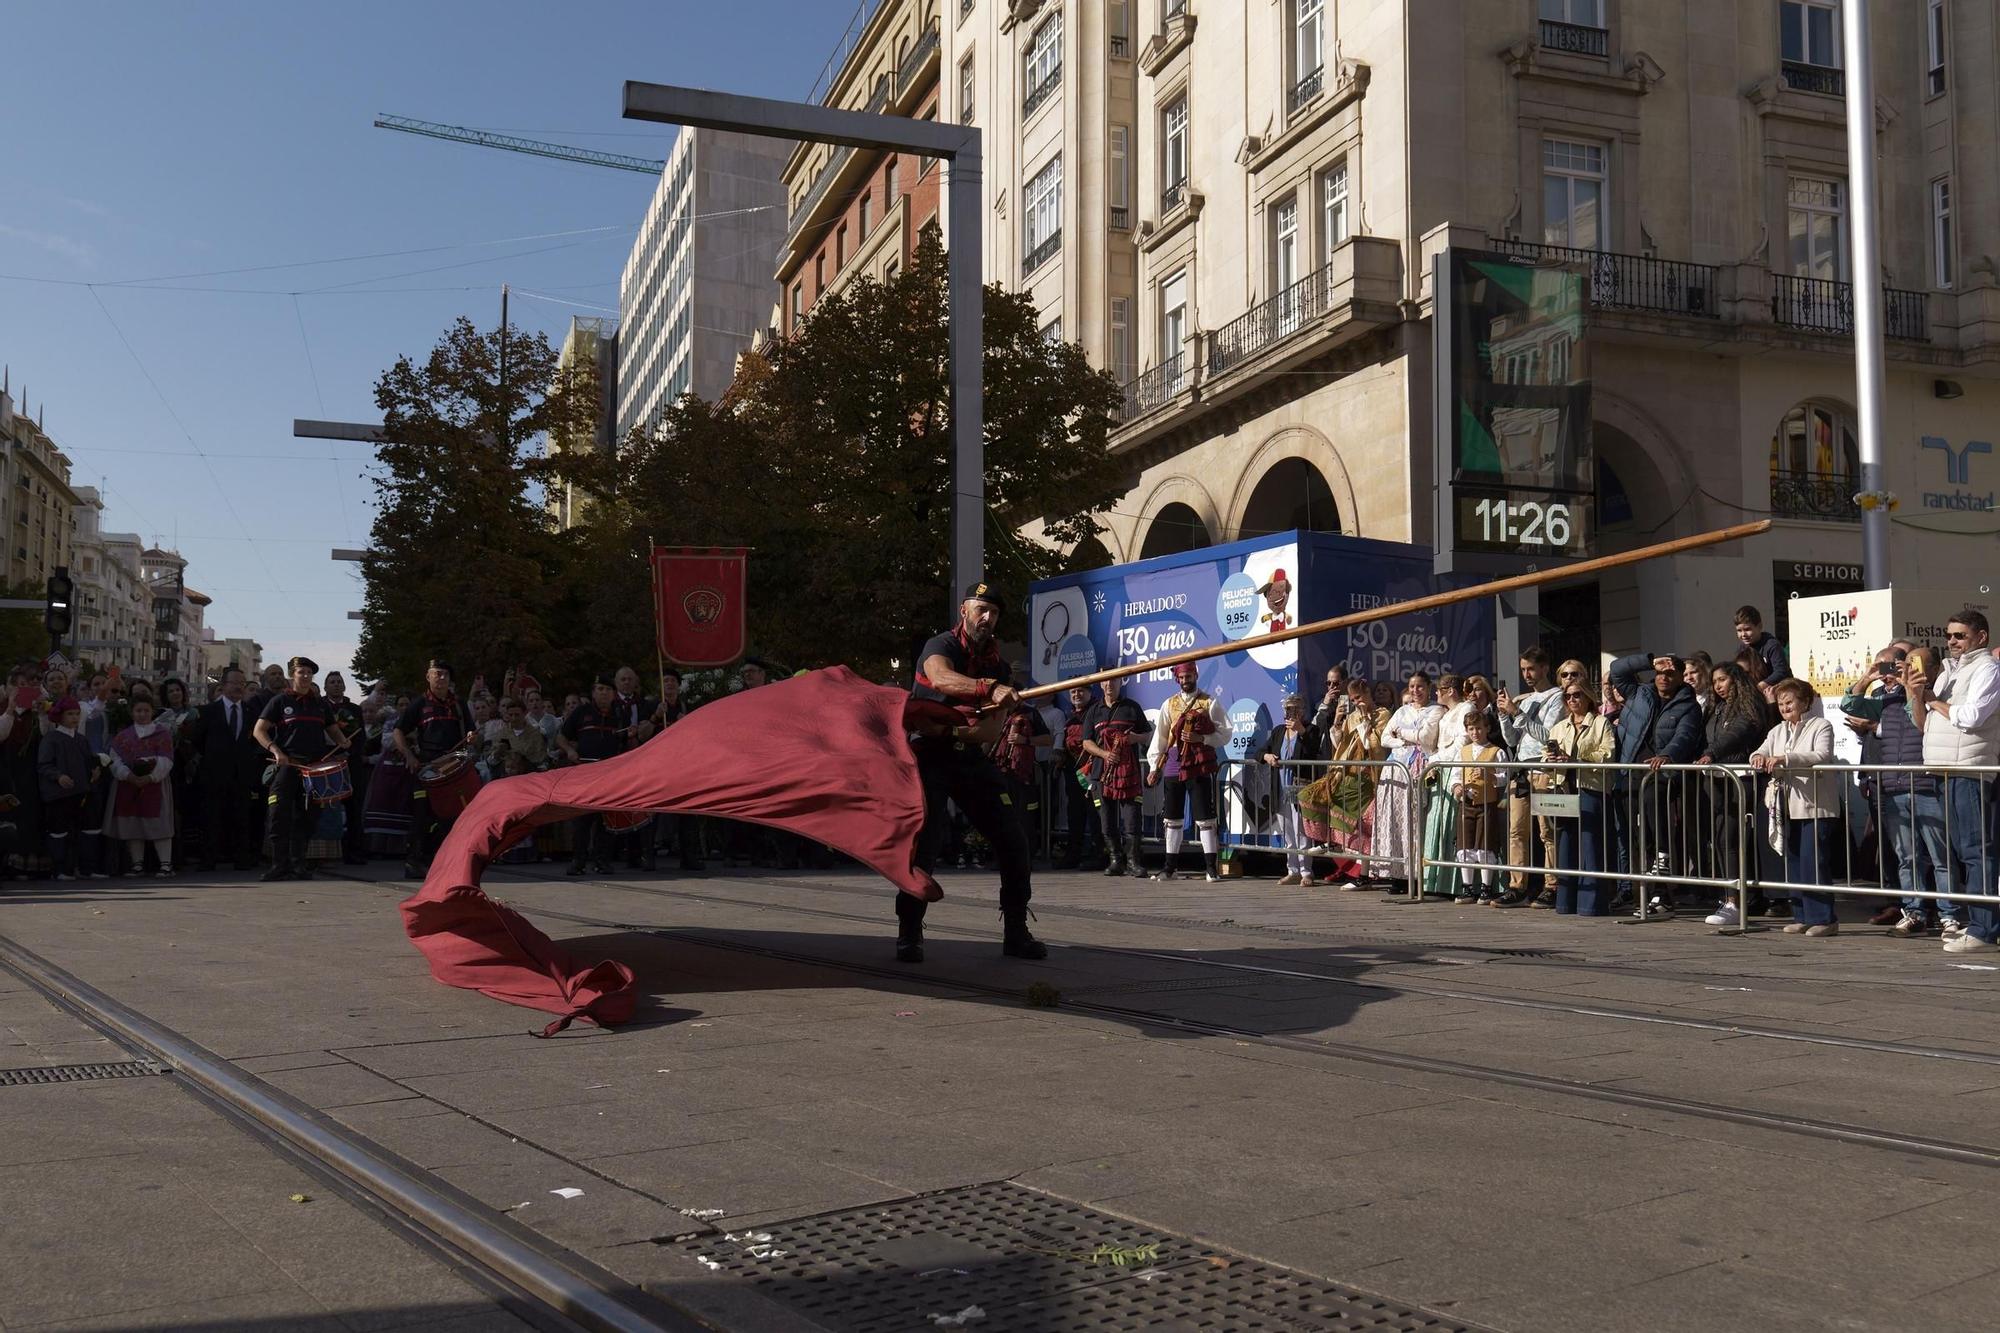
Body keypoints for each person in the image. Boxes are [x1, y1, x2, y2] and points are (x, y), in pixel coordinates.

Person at [899, 582, 1046, 962]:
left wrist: (952, 728)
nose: (987, 617)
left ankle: (1016, 932)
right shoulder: (941, 645)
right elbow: (940, 677)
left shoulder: (999, 666)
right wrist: (987, 690)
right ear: (964, 610)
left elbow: (989, 731)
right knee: (926, 846)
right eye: (981, 609)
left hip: (969, 759)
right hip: (929, 757)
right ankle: (909, 933)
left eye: (994, 613)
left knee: (1014, 841)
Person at [1911, 611, 2000, 953]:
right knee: (1965, 852)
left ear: (1981, 637)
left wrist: (1933, 700)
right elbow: (1924, 724)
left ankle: (1984, 929)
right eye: (1949, 635)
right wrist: (1917, 694)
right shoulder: (1949, 670)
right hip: (1944, 768)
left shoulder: (1988, 669)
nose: (1952, 641)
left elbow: (1972, 716)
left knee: (1978, 851)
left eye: (1960, 635)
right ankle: (1981, 924)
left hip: (1970, 770)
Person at [1855, 650, 1954, 939]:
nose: (1903, 670)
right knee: (1906, 857)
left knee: (1940, 856)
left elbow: (1919, 723)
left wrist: (1912, 689)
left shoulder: (1934, 694)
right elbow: (1852, 705)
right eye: (1903, 665)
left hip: (1926, 785)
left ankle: (1948, 914)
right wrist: (1868, 677)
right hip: (1895, 786)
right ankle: (1914, 912)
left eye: (1912, 664)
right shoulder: (1885, 700)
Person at [1608, 651, 1705, 916]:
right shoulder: (1639, 693)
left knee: (1657, 835)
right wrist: (1648, 661)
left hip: (1661, 776)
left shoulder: (1688, 705)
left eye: (1670, 673)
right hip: (1630, 773)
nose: (1663, 677)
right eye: (1660, 672)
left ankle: (1661, 893)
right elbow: (1617, 669)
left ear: (1681, 676)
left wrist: (1668, 755)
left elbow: (1685, 735)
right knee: (1638, 839)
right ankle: (1647, 894)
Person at [1752, 678, 1840, 936]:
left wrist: (1785, 759)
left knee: (1814, 862)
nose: (1784, 707)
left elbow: (1821, 755)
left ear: (1805, 702)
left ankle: (1824, 919)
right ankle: (1801, 915)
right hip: (1786, 806)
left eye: (1789, 702)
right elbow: (1760, 751)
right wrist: (1757, 758)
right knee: (1793, 862)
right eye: (1781, 703)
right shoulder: (1777, 730)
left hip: (1815, 804)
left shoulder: (1821, 725)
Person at [252, 656, 349, 882]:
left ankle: (298, 865)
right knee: (278, 814)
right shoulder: (279, 701)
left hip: (313, 769)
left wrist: (343, 741)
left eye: (308, 673)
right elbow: (259, 730)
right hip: (287, 765)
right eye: (300, 672)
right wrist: (276, 751)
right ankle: (279, 865)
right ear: (292, 675)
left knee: (307, 818)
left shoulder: (320, 704)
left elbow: (332, 729)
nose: (305, 676)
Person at [1697, 661, 1777, 927]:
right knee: (1721, 839)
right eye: (1714, 682)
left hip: (1742, 781)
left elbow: (1738, 733)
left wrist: (1711, 754)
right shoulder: (1716, 708)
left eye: (1722, 680)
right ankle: (1729, 898)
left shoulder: (1748, 705)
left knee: (1731, 839)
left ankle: (1736, 902)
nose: (1718, 686)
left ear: (1736, 679)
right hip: (1718, 781)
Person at [392, 660, 476, 879]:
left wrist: (472, 736)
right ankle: (413, 862)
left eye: (445, 674)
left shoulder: (459, 704)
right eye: (437, 674)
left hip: (453, 768)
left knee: (451, 816)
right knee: (421, 814)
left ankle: (447, 862)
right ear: (428, 677)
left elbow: (471, 732)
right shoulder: (419, 704)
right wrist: (408, 755)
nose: (441, 678)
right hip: (427, 768)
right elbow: (398, 731)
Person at [1299, 678, 1387, 886]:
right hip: (1347, 771)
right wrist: (1338, 723)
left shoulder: (1382, 714)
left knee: (1362, 826)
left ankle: (1362, 874)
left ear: (1368, 694)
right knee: (1309, 796)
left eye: (1359, 697)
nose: (1356, 702)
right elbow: (1341, 745)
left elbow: (1375, 745)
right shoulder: (1352, 716)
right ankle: (1330, 840)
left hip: (1368, 774)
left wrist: (1365, 721)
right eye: (1353, 699)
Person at [1147, 661, 1227, 882]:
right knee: (1172, 817)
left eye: (1188, 676)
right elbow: (1161, 737)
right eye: (1181, 678)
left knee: (1205, 817)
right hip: (1174, 763)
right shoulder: (1169, 704)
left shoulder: (1209, 702)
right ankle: (1170, 868)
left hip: (1198, 763)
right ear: (1177, 679)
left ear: (1196, 676)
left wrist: (1202, 738)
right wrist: (1154, 766)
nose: (1185, 681)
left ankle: (1211, 868)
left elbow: (1225, 733)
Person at [1496, 647, 1563, 903]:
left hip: (1543, 768)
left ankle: (1552, 885)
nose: (1527, 675)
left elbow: (1548, 736)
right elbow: (1513, 740)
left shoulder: (1557, 697)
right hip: (1522, 770)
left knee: (1547, 831)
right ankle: (1517, 885)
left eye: (1531, 669)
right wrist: (1504, 716)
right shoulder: (1525, 700)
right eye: (1523, 669)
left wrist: (1516, 713)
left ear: (1545, 668)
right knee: (1516, 830)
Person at [1545, 680, 1617, 914]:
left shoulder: (1600, 723)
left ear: (1588, 697)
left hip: (1590, 788)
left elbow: (1608, 754)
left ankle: (1591, 904)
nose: (1572, 700)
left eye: (1577, 695)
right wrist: (1551, 760)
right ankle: (1565, 902)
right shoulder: (1559, 727)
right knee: (1565, 845)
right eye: (1568, 696)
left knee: (1591, 845)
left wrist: (1577, 759)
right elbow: (1544, 758)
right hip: (1564, 788)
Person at [192, 667, 264, 871]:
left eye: (242, 683)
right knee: (211, 816)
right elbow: (198, 740)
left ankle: (242, 858)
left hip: (241, 774)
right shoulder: (208, 711)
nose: (239, 687)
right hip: (214, 773)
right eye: (234, 682)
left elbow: (254, 741)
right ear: (223, 686)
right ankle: (208, 859)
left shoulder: (251, 712)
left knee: (242, 816)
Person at [1378, 672, 1444, 891]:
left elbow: (1426, 738)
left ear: (1428, 687)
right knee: (1396, 822)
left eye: (1420, 686)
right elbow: (1385, 738)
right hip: (1397, 770)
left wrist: (1401, 733)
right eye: (1412, 686)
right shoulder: (1402, 711)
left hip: (1418, 771)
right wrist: (1402, 742)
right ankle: (1397, 874)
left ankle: (1416, 875)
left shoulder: (1436, 710)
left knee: (1415, 822)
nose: (1416, 691)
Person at [1082, 673, 1150, 878]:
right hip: (1101, 773)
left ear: (1120, 682)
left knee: (1132, 818)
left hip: (1129, 773)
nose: (1109, 683)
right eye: (1105, 680)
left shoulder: (1132, 707)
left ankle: (1133, 862)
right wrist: (1105, 754)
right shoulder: (1093, 710)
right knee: (1106, 819)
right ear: (1101, 684)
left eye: (1113, 679)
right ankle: (1115, 861)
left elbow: (1147, 735)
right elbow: (1086, 742)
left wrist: (1133, 738)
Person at [558, 675, 626, 876]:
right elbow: (561, 737)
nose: (604, 693)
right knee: (582, 820)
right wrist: (570, 750)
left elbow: (626, 741)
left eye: (607, 689)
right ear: (593, 692)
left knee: (606, 820)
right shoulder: (582, 712)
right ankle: (578, 861)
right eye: (600, 689)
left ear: (613, 694)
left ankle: (601, 861)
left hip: (610, 773)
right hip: (585, 773)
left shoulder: (620, 712)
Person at [1259, 693, 1323, 885]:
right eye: (1288, 709)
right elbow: (1261, 751)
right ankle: (1292, 870)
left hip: (1299, 785)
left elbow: (1314, 751)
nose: (1291, 713)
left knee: (1301, 831)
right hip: (1280, 786)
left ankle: (1306, 872)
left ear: (1302, 711)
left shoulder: (1311, 730)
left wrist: (1301, 731)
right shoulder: (1279, 731)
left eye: (1295, 709)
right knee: (1287, 830)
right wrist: (1267, 756)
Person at [109, 695, 177, 877]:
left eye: (146, 710)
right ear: (131, 712)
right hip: (129, 785)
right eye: (138, 710)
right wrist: (128, 775)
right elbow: (114, 760)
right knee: (133, 824)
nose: (142, 714)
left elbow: (167, 759)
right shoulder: (123, 736)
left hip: (155, 784)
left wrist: (151, 776)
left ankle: (165, 864)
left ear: (152, 711)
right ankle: (137, 864)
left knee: (159, 824)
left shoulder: (162, 733)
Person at [1446, 708, 1509, 903]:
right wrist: (1457, 787)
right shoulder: (1463, 751)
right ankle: (1467, 887)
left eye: (1479, 728)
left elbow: (1505, 776)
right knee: (1464, 846)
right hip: (1466, 804)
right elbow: (1456, 774)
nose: (1475, 732)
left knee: (1485, 846)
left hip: (1487, 804)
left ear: (1487, 728)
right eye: (1471, 729)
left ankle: (1486, 887)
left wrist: (1489, 775)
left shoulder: (1496, 752)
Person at [39, 697, 105, 880]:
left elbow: (89, 761)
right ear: (60, 716)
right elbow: (43, 765)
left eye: (77, 714)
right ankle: (60, 870)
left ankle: (87, 868)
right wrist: (58, 776)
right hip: (59, 795)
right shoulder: (51, 738)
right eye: (70, 714)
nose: (75, 718)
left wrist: (95, 771)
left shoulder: (81, 739)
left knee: (89, 828)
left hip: (83, 792)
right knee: (59, 831)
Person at [990, 682, 1051, 866]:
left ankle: (1024, 858)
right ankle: (1000, 858)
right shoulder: (995, 711)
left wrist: (1025, 739)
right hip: (999, 772)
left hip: (1022, 775)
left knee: (1023, 818)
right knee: (1000, 816)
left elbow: (1047, 739)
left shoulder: (1031, 713)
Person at [1055, 684, 1103, 870]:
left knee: (1096, 814)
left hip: (1092, 771)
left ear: (1090, 693)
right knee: (1075, 815)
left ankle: (1099, 855)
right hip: (1073, 772)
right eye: (1073, 691)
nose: (1077, 694)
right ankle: (1073, 854)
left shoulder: (1097, 712)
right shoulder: (1070, 717)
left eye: (1081, 691)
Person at [1734, 606, 1790, 701]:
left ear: (1759, 626)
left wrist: (1761, 685)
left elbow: (1781, 671)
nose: (1743, 634)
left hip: (1777, 693)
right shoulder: (1742, 648)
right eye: (1739, 630)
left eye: (1747, 629)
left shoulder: (1771, 645)